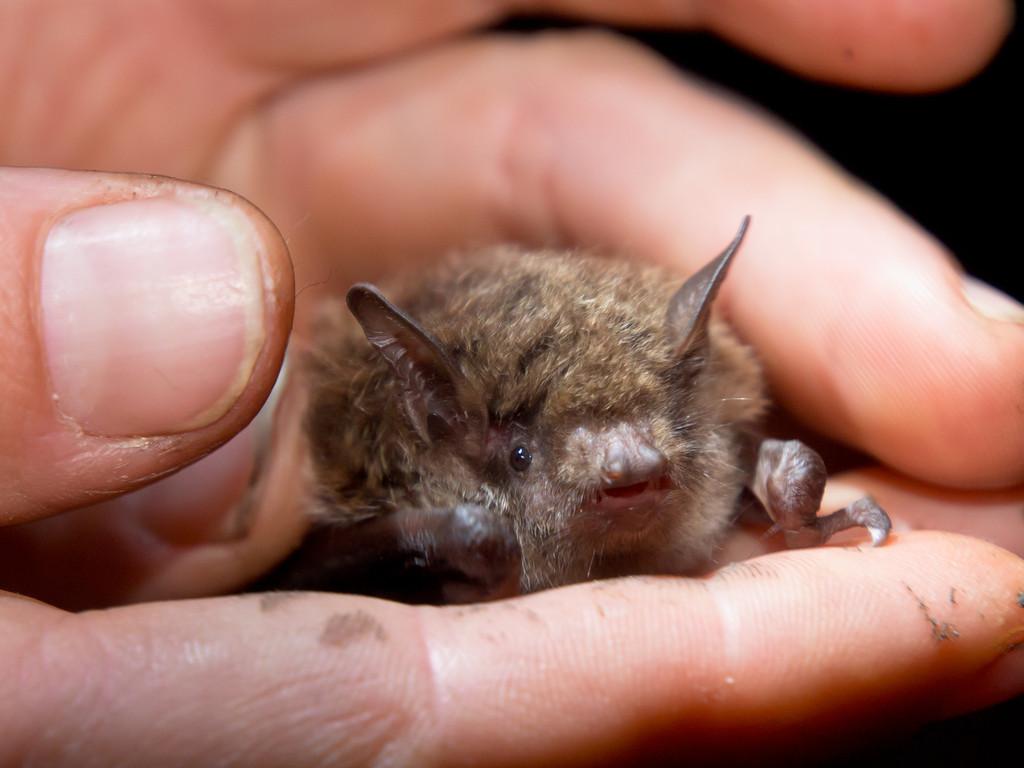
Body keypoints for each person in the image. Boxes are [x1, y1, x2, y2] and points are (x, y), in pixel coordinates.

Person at [1, 1, 1022, 764]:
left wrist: (787, 505)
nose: (632, 462)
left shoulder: (707, 448)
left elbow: (719, 435)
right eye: (533, 453)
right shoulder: (451, 517)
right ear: (458, 429)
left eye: (650, 422)